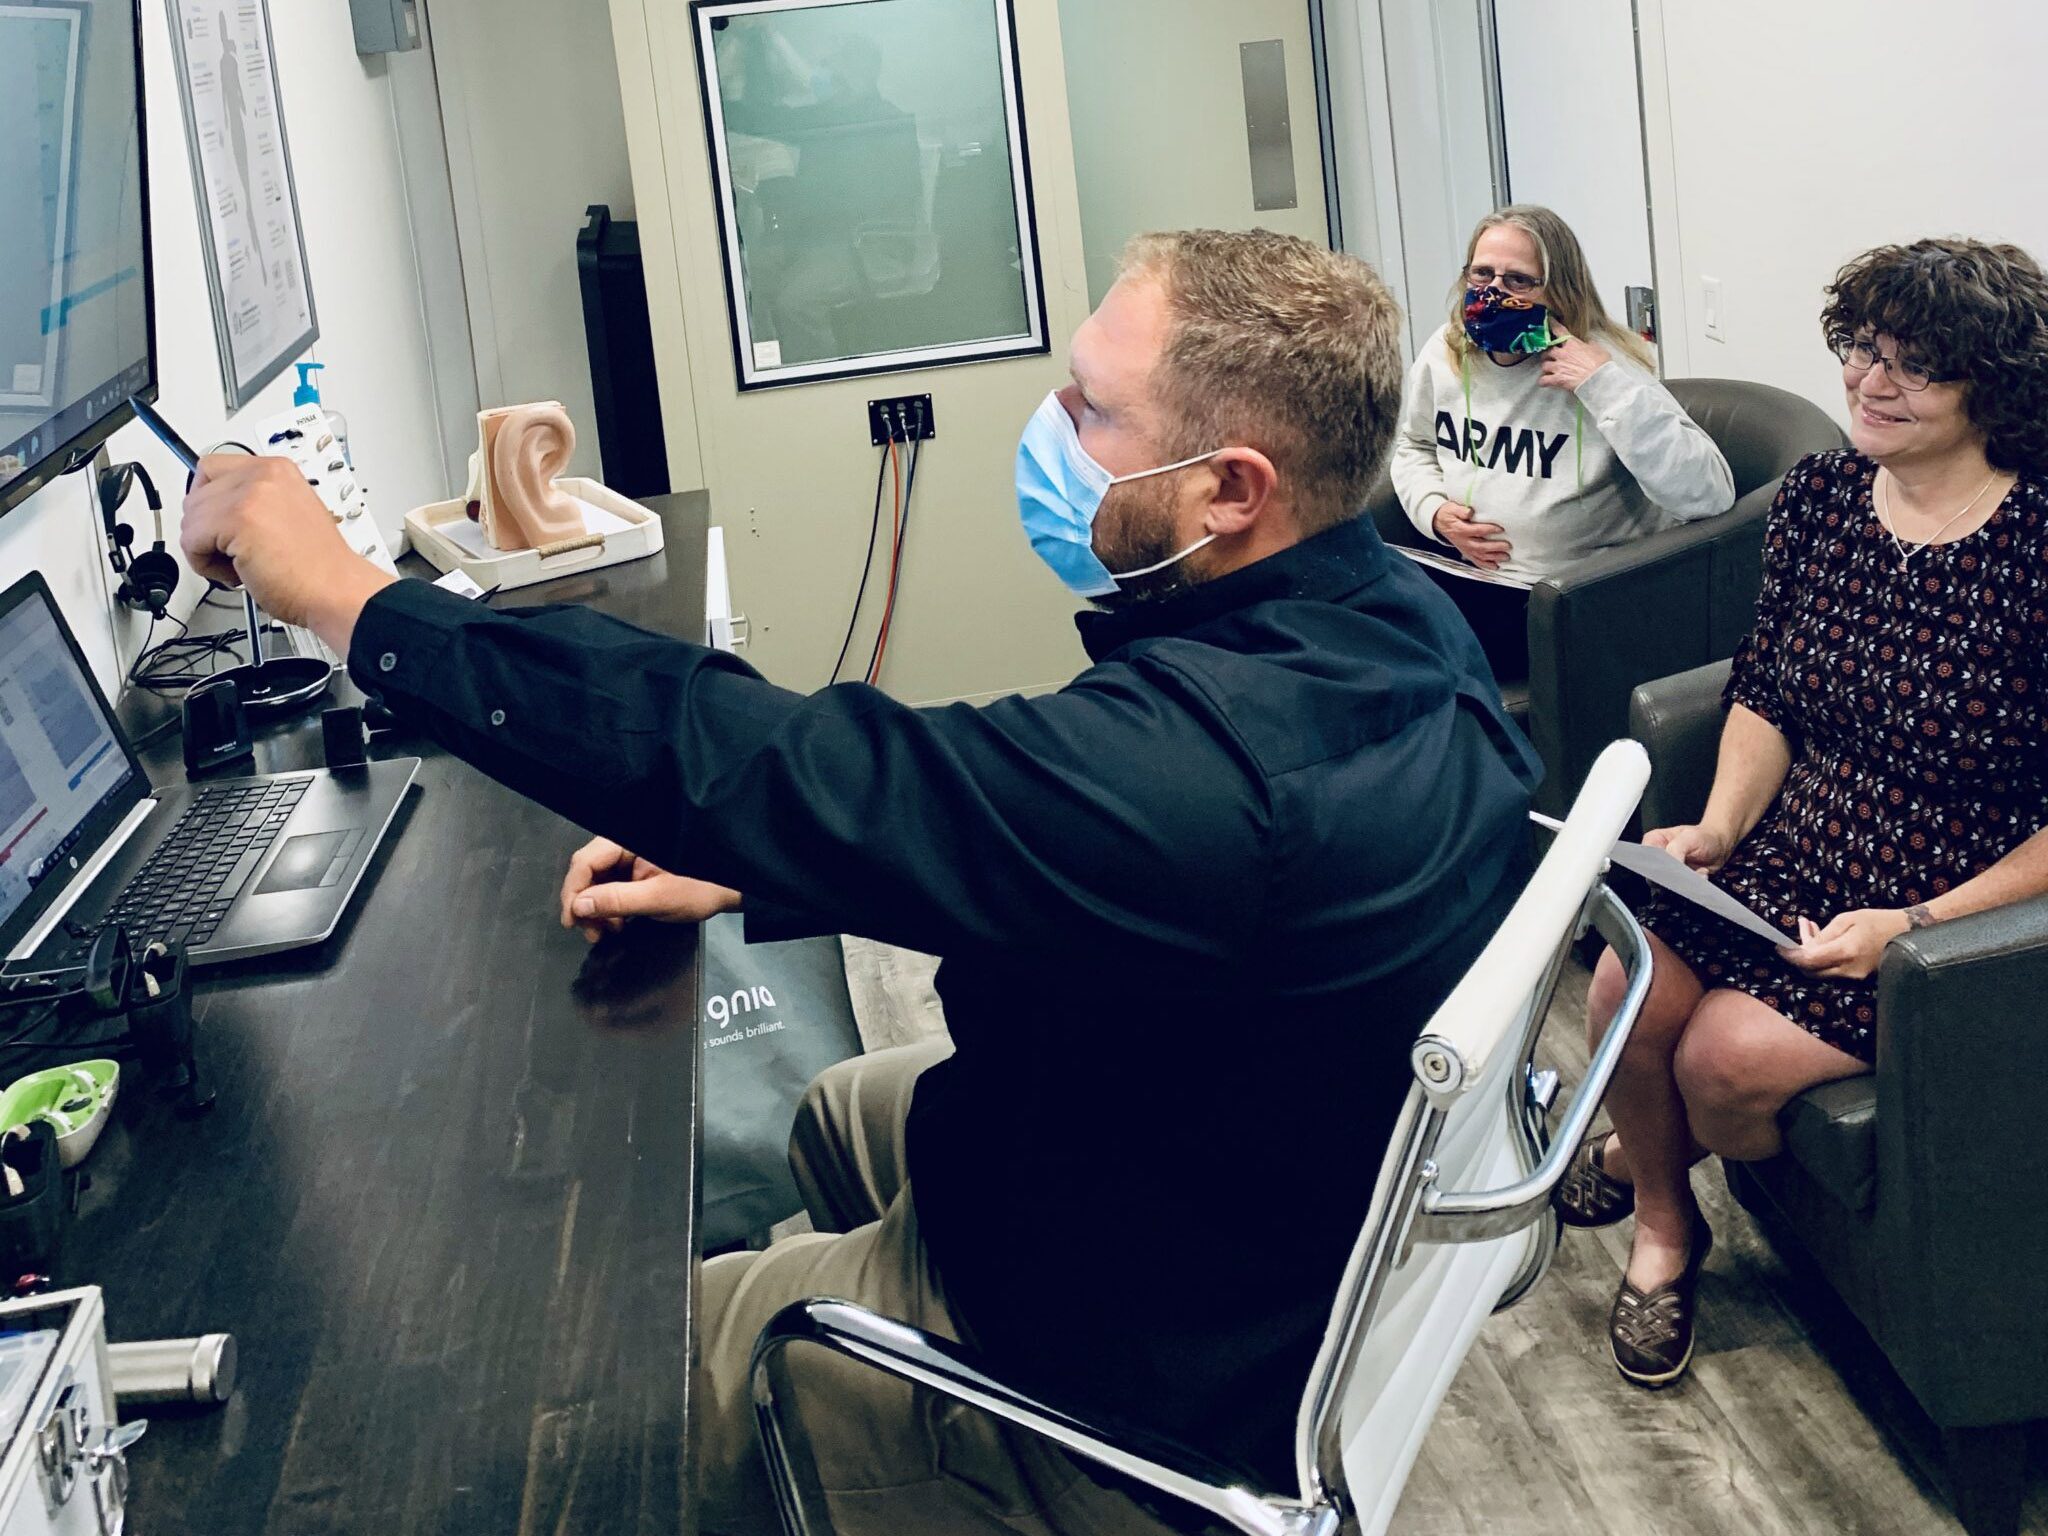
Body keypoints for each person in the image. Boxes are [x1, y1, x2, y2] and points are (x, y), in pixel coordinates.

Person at [177, 229, 1540, 1534]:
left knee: (597, 1383)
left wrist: (358, 602)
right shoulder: (1393, 623)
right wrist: (755, 870)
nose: (1051, 428)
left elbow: (777, 762)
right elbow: (1054, 840)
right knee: (834, 1109)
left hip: (1124, 1385)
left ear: (1232, 490)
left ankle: (902, 1433)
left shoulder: (1208, 774)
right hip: (1231, 1186)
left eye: (1091, 410)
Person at [1563, 237, 2048, 1389]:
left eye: (1911, 364)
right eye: (1857, 349)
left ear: (1993, 382)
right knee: (1620, 985)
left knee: (1723, 1065)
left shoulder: (2034, 539)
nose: (1868, 383)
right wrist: (1721, 831)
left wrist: (1916, 921)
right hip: (1799, 843)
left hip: (1954, 887)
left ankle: (1648, 1149)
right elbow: (1766, 693)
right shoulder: (1823, 498)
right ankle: (1663, 1227)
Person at [1389, 204, 1734, 679]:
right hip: (1472, 579)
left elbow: (1709, 493)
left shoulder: (1606, 367)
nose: (1493, 293)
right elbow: (1415, 448)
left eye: (1518, 281)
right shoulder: (1446, 351)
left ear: (1559, 291)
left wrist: (1602, 385)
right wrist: (1433, 512)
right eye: (1482, 274)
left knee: (1400, 657)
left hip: (1569, 603)